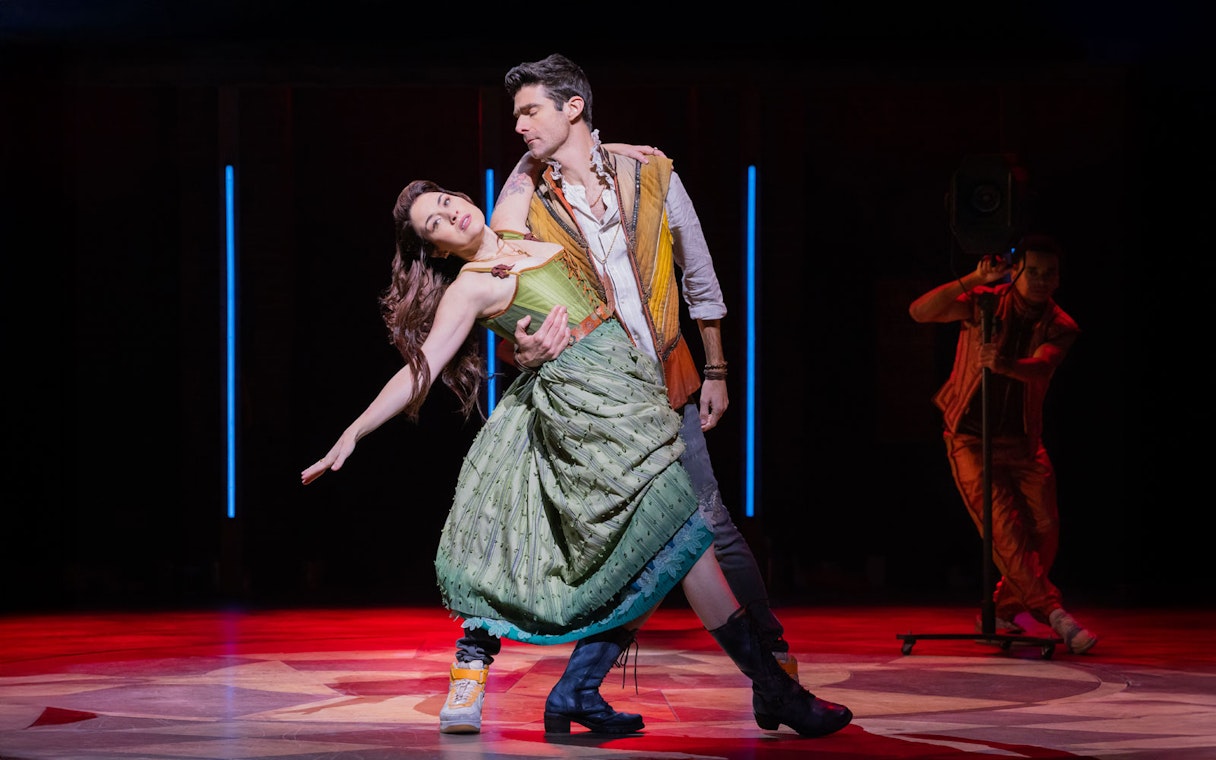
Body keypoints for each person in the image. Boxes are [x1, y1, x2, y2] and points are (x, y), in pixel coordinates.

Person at [301, 179, 854, 738]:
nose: (450, 217)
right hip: (586, 412)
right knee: (684, 542)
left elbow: (536, 145)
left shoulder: (513, 223)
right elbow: (420, 368)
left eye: (446, 203)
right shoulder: (468, 289)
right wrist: (355, 430)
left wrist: (622, 147)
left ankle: (580, 691)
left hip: (629, 389)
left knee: (673, 545)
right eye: (434, 225)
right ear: (437, 250)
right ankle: (774, 690)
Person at [440, 51, 802, 737]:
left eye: (530, 111)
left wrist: (717, 370)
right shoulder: (529, 199)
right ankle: (507, 670)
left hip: (666, 380)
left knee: (705, 527)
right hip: (595, 400)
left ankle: (771, 665)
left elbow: (700, 275)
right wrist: (523, 348)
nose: (517, 125)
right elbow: (507, 285)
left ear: (573, 106)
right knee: (639, 537)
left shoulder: (652, 171)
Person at [908, 234, 1097, 655]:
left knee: (1045, 531)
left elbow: (1043, 366)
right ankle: (1054, 614)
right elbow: (920, 312)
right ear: (1018, 272)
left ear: (1059, 278)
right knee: (1006, 532)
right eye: (1033, 272)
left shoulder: (1060, 324)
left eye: (1050, 274)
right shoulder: (985, 301)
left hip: (1024, 443)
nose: (1042, 280)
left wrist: (1006, 364)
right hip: (971, 440)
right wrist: (973, 277)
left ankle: (1004, 608)